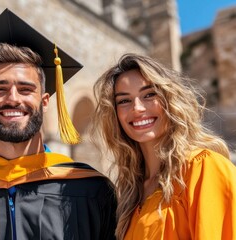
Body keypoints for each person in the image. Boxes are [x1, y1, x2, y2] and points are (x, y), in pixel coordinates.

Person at [0, 9, 117, 240]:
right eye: (0, 89)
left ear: (45, 102)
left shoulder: (89, 190)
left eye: (26, 89)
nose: (13, 98)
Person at [91, 53, 236, 240]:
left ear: (169, 100)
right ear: (115, 114)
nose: (137, 108)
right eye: (124, 101)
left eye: (149, 94)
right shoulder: (132, 194)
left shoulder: (202, 168)